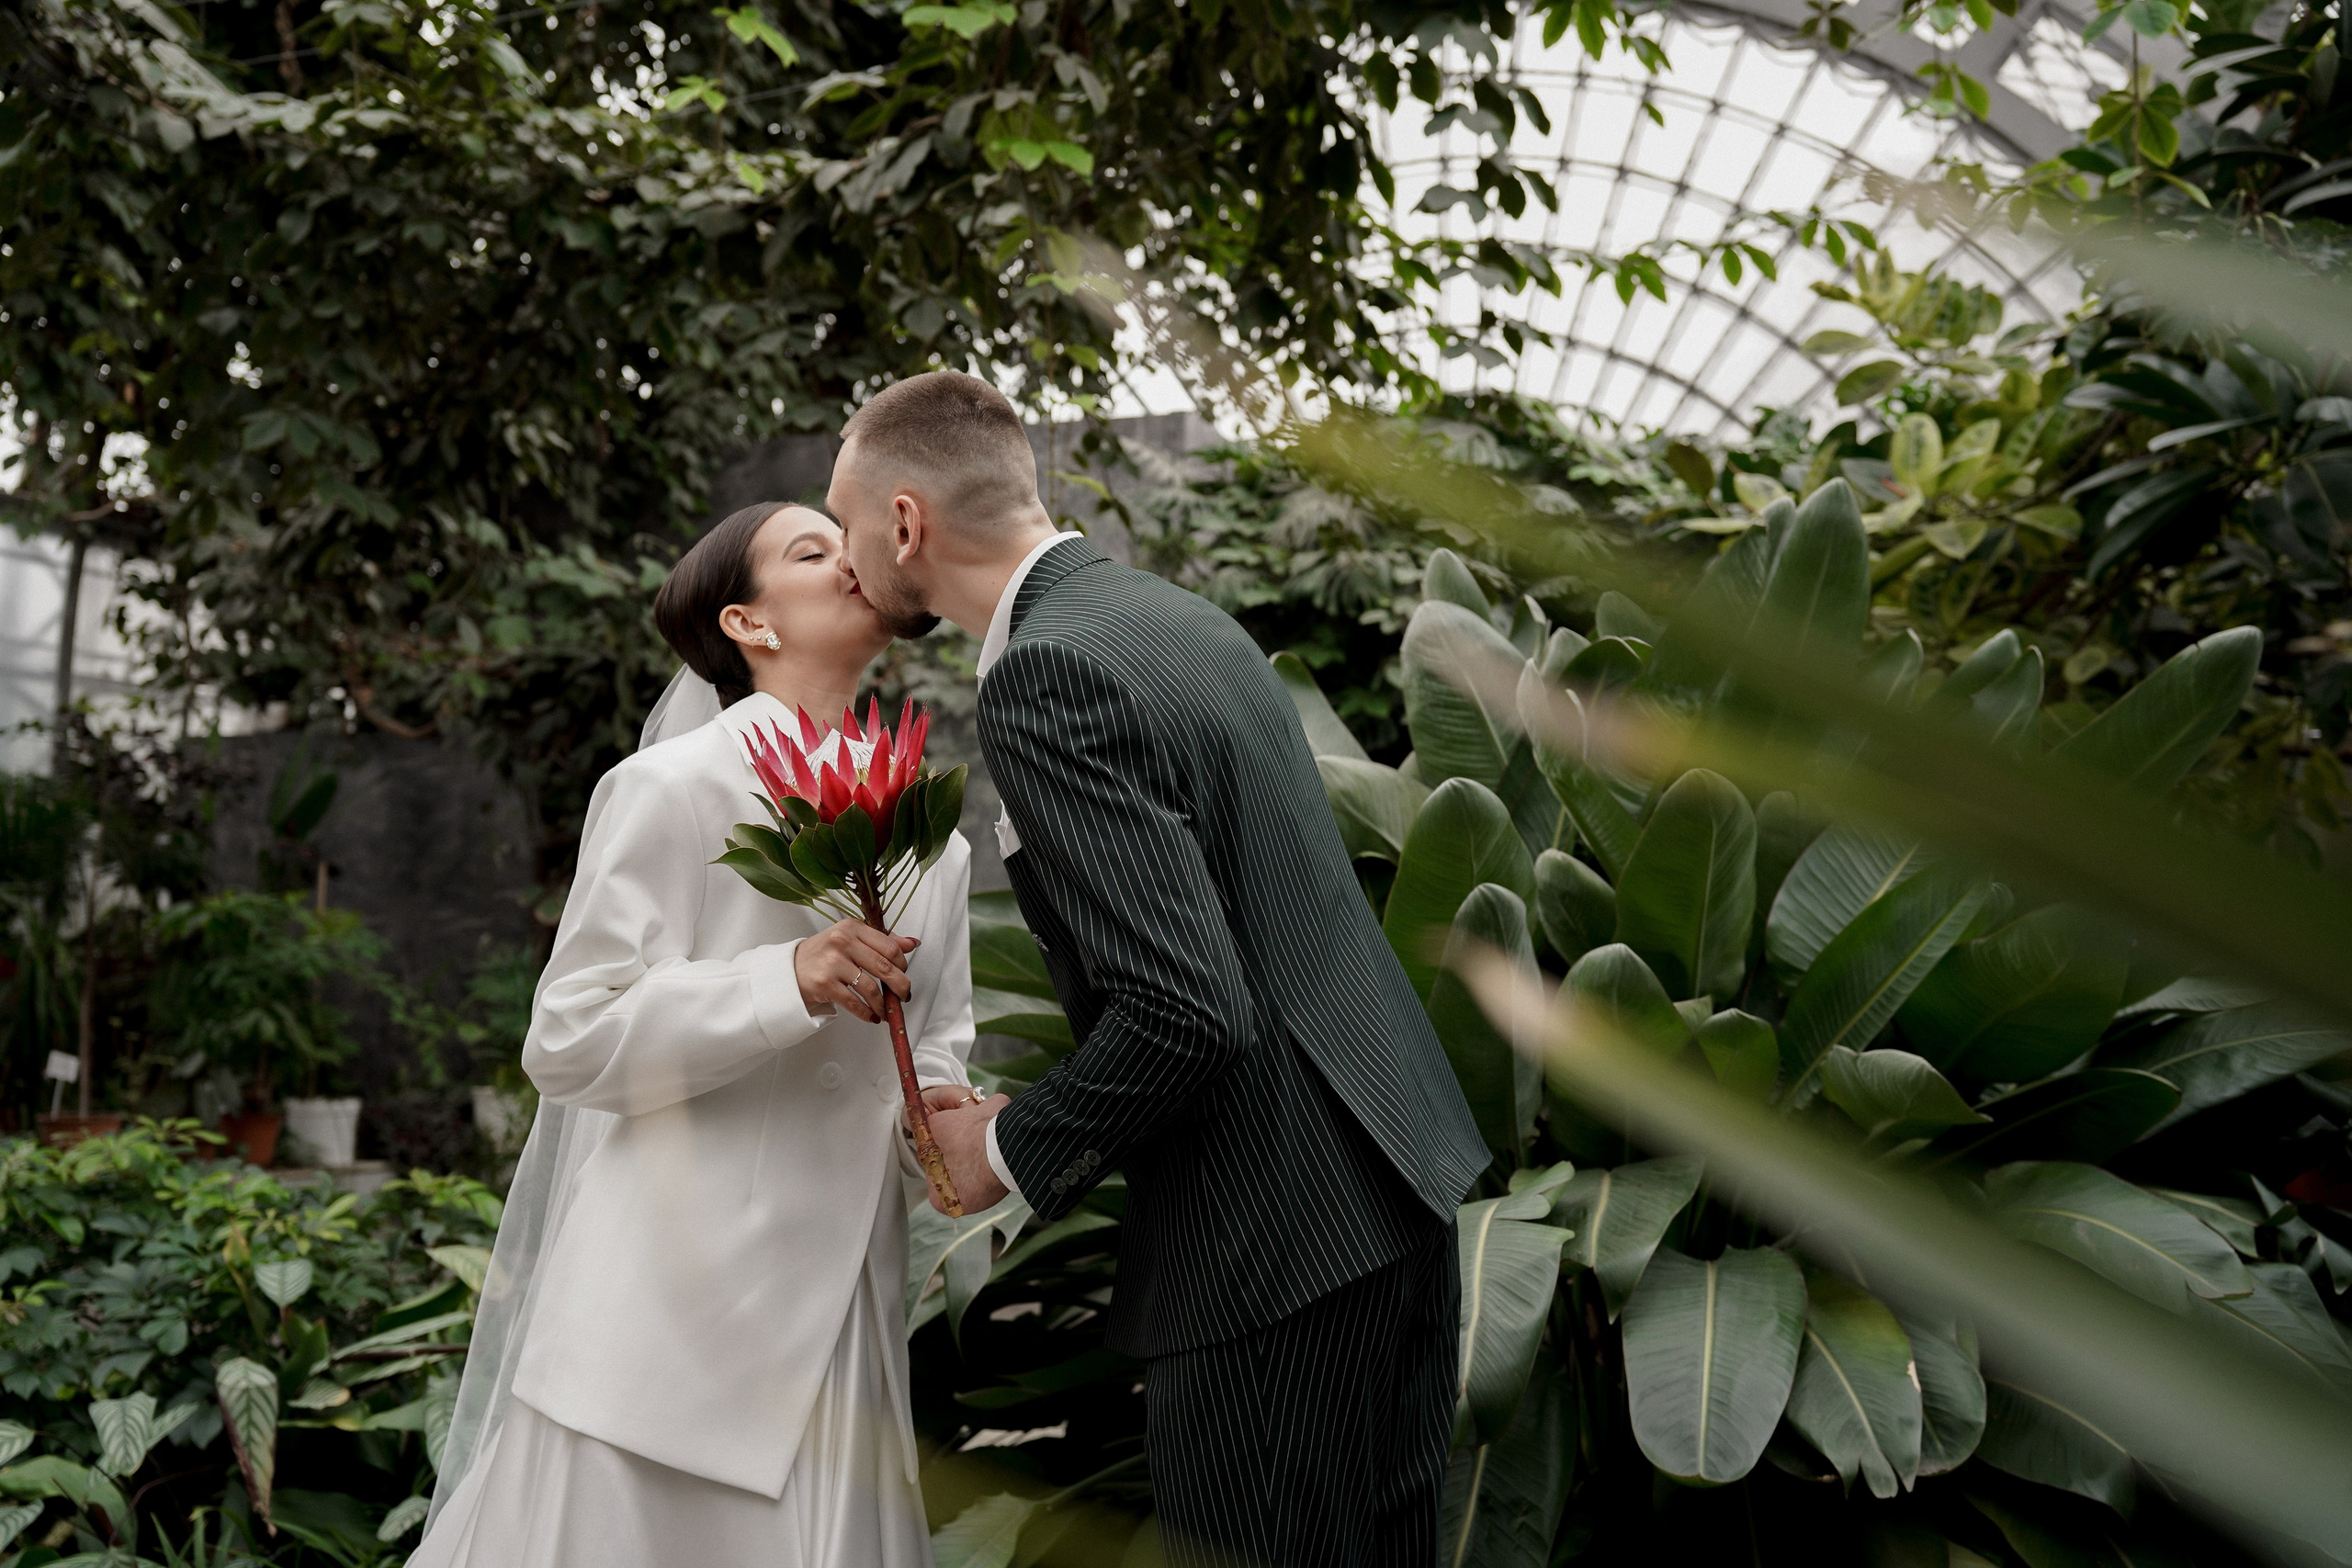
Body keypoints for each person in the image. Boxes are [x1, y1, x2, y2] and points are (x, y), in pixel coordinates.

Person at [829, 372, 1490, 1568]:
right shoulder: (1179, 620)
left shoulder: (1045, 674)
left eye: (847, 523)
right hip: (1393, 1187)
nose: (844, 556)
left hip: (1270, 1250)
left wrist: (1005, 1144)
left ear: (907, 522)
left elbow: (1186, 1007)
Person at [411, 502, 977, 1568]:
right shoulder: (668, 788)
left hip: (841, 1329)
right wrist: (785, 977)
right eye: (810, 551)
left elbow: (933, 1044)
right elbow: (569, 1037)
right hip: (664, 1328)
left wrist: (943, 1117)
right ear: (748, 623)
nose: (848, 557)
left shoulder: (933, 839)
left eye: (847, 540)